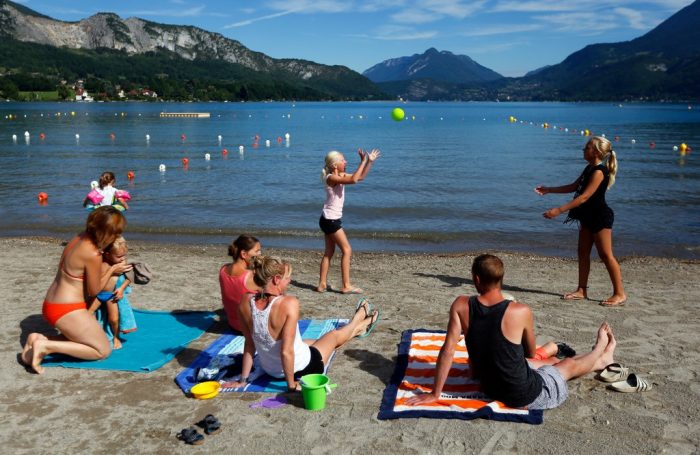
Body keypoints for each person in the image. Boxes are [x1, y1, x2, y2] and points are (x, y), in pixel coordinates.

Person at [407, 254, 617, 410]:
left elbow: (448, 350)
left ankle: (600, 361)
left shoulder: (461, 305)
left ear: (476, 279)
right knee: (567, 365)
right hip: (525, 395)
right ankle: (600, 350)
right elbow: (528, 351)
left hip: (490, 386)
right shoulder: (520, 311)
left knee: (549, 364)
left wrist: (435, 394)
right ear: (501, 279)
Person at [230, 256, 379, 392]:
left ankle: (358, 328)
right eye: (287, 278)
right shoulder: (288, 303)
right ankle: (358, 322)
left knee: (311, 342)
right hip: (304, 368)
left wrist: (243, 380)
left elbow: (249, 344)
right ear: (276, 279)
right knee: (333, 336)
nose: (289, 281)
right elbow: (286, 351)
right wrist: (291, 385)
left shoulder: (245, 301)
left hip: (271, 370)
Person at [20, 206, 133, 374]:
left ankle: (39, 339)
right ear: (105, 231)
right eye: (115, 233)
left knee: (87, 339)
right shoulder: (92, 253)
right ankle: (45, 346)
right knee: (102, 350)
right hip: (67, 309)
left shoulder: (79, 238)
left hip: (52, 302)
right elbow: (94, 291)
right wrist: (112, 270)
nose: (117, 236)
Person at [535, 136, 627, 307]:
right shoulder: (588, 168)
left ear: (597, 152)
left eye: (588, 147)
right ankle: (581, 290)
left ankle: (620, 293)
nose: (584, 149)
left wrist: (559, 210)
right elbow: (573, 187)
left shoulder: (599, 171)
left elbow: (584, 197)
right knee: (582, 253)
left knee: (606, 255)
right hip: (586, 217)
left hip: (600, 217)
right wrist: (549, 190)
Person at [317, 148, 380, 294]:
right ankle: (346, 285)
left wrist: (368, 162)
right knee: (347, 250)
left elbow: (360, 178)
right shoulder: (331, 178)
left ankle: (322, 284)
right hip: (331, 220)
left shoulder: (339, 175)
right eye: (343, 160)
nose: (345, 162)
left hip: (327, 219)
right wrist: (363, 161)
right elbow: (353, 180)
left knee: (329, 252)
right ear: (334, 165)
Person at [91, 236, 137, 349]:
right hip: (98, 294)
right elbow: (96, 282)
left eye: (124, 255)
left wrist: (121, 289)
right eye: (119, 256)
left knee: (114, 319)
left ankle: (116, 337)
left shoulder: (122, 263)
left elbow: (129, 277)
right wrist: (111, 271)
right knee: (88, 313)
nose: (122, 259)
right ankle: (91, 334)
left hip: (111, 295)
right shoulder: (100, 262)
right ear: (107, 254)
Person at [219, 235, 262, 332]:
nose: (260, 254)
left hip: (232, 324)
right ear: (244, 254)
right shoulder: (250, 277)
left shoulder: (223, 269)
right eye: (257, 251)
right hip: (250, 328)